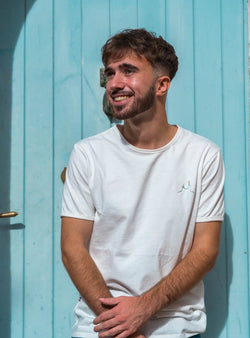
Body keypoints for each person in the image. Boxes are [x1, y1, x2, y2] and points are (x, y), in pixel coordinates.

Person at [61, 28, 224, 338]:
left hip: (176, 325)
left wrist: (143, 308)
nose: (114, 83)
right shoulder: (88, 154)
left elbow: (205, 250)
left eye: (129, 71)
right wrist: (122, 326)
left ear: (162, 84)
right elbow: (72, 248)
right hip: (100, 325)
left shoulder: (203, 155)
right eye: (110, 73)